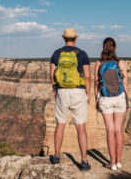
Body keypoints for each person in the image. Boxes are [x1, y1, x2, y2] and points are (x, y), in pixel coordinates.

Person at [49, 28, 92, 171]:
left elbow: (52, 76)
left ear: (64, 39)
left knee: (60, 124)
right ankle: (84, 161)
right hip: (78, 91)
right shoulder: (82, 54)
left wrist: (56, 90)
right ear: (76, 39)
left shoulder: (56, 53)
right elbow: (87, 76)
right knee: (81, 126)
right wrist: (88, 93)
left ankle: (56, 156)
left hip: (62, 91)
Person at [94, 37, 129, 171]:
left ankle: (112, 162)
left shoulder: (99, 63)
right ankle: (119, 161)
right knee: (118, 129)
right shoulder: (121, 63)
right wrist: (127, 102)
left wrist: (96, 100)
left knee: (110, 130)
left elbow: (96, 84)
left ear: (103, 48)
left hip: (105, 98)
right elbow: (125, 84)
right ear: (115, 47)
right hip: (120, 97)